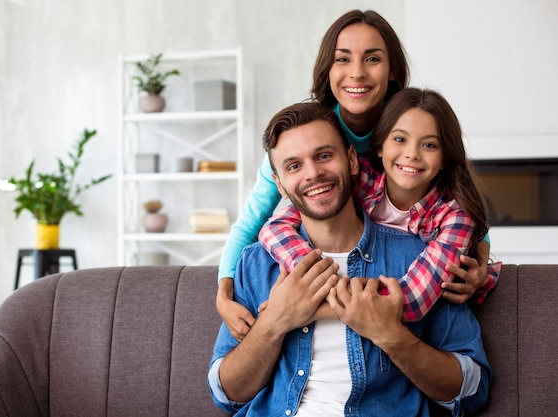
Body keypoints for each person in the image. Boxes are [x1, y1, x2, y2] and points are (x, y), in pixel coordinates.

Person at [216, 9, 495, 339]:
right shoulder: (305, 136)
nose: (357, 73)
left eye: (373, 59)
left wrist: (479, 265)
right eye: (343, 59)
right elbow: (256, 222)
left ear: (392, 70)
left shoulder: (410, 123)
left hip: (403, 277)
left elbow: (466, 215)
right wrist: (224, 294)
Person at [208, 102, 491, 416]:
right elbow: (225, 395)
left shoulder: (421, 258)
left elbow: (472, 388)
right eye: (293, 166)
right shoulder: (257, 262)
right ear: (280, 185)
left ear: (353, 161)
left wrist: (391, 335)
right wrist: (274, 322)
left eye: (324, 156)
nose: (313, 173)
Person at [259, 87, 499, 321]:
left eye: (429, 145)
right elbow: (275, 227)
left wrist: (297, 309)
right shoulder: (360, 177)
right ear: (381, 145)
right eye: (399, 139)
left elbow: (412, 300)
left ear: (445, 157)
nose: (412, 154)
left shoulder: (456, 216)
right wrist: (315, 275)